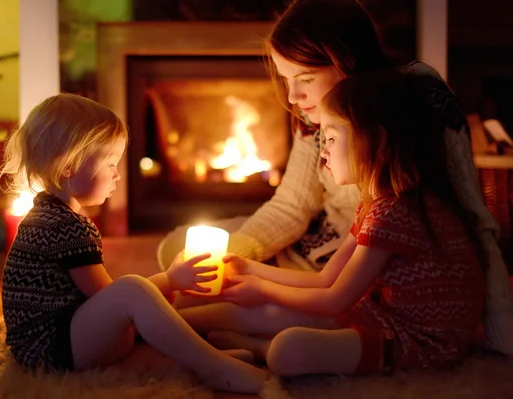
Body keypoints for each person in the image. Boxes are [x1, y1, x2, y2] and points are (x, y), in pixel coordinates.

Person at [158, 0, 513, 357]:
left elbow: (474, 214)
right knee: (178, 249)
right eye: (286, 80)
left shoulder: (416, 94)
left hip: (369, 269)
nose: (294, 97)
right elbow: (291, 208)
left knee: (296, 313)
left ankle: (250, 324)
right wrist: (232, 257)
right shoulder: (315, 118)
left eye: (305, 79)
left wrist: (500, 330)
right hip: (319, 249)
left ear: (345, 61)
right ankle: (235, 316)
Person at [179, 71, 486, 376]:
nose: (323, 150)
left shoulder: (395, 212)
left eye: (333, 138)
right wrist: (253, 270)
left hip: (416, 341)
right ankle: (176, 322)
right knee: (283, 311)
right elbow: (326, 278)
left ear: (376, 141)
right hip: (382, 314)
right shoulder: (375, 202)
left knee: (290, 348)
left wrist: (262, 288)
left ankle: (258, 348)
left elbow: (333, 300)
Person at [0, 93, 267, 394]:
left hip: (54, 339)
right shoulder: (63, 226)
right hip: (52, 349)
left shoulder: (47, 214)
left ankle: (198, 357)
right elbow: (113, 297)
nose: (117, 173)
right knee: (132, 291)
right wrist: (171, 280)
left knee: (144, 303)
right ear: (68, 167)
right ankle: (213, 367)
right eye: (109, 162)